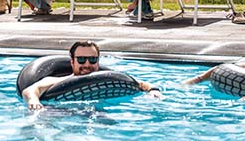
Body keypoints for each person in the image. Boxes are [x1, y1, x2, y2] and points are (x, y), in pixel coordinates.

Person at [22, 41, 160, 110]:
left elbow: (139, 83)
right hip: (64, 113)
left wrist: (153, 90)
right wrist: (34, 102)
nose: (87, 64)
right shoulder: (57, 81)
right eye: (81, 60)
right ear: (72, 62)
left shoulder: (107, 78)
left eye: (92, 59)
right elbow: (30, 90)